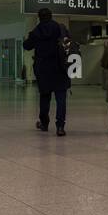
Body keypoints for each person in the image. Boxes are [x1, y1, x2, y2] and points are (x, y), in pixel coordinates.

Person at [23, 8, 70, 136]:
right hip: (59, 67)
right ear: (51, 16)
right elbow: (68, 43)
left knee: (45, 97)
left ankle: (44, 123)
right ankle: (60, 126)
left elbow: (26, 46)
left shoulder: (36, 31)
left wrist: (30, 37)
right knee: (61, 98)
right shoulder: (59, 28)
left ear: (39, 17)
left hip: (43, 69)